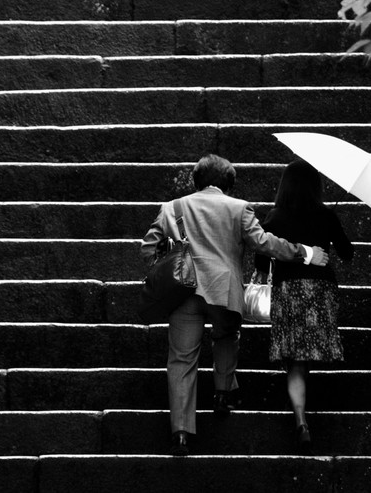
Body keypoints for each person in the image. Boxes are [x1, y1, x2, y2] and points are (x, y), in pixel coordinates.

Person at [140, 154, 329, 457]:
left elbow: (147, 249)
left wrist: (164, 268)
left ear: (196, 180)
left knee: (181, 360)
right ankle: (222, 393)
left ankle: (181, 434)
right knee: (227, 337)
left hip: (183, 295)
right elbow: (264, 243)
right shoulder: (239, 208)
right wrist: (304, 252)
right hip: (224, 292)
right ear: (228, 184)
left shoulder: (171, 208)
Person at [254, 159, 354, 455]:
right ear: (315, 186)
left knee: (295, 360)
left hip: (289, 291)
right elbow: (348, 253)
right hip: (320, 291)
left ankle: (300, 420)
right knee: (303, 358)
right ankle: (302, 410)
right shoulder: (326, 214)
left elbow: (261, 258)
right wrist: (330, 229)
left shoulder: (275, 215)